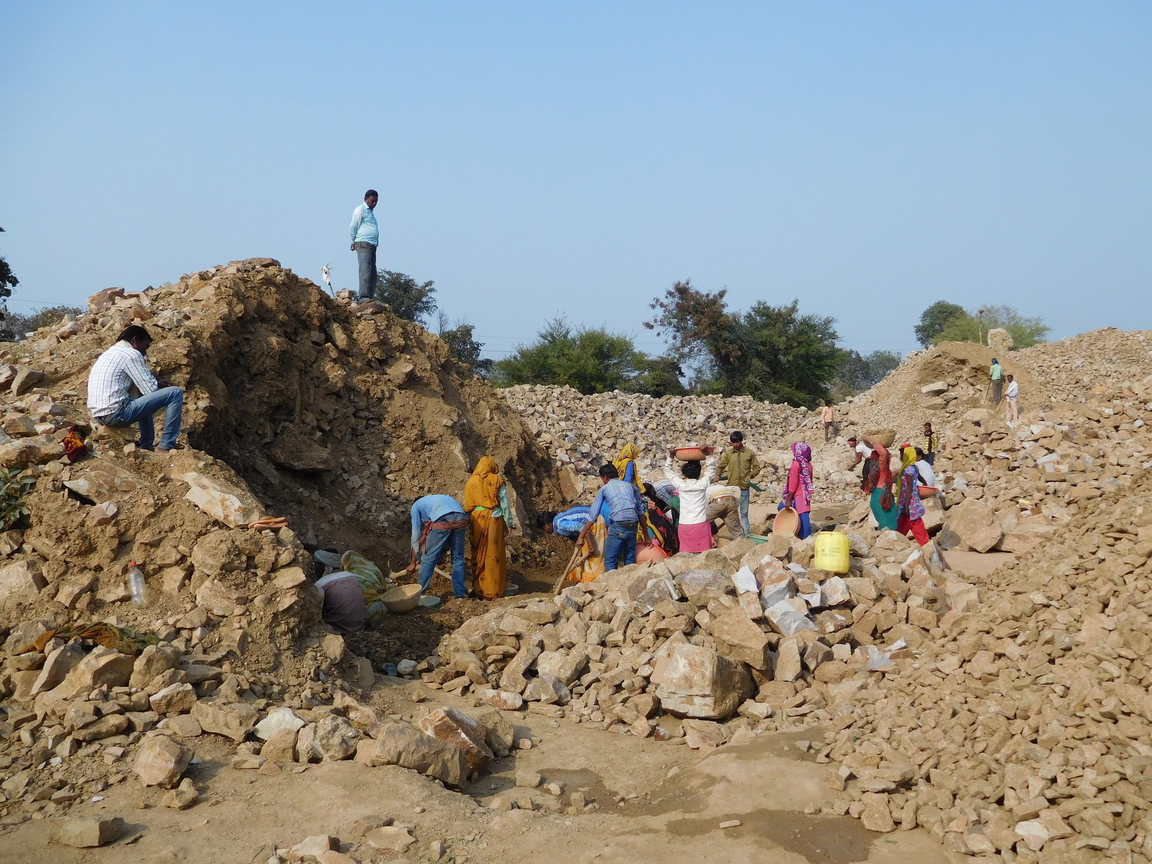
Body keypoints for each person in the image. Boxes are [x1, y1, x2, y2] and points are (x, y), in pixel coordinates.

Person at [87, 325, 184, 453]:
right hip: (116, 413)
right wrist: (156, 383)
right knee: (175, 393)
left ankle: (146, 445)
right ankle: (166, 445)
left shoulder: (110, 353)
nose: (145, 352)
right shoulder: (131, 354)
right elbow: (150, 390)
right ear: (135, 340)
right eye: (145, 346)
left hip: (99, 415)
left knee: (139, 394)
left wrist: (157, 383)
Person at [464, 456, 516, 600]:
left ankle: (479, 589)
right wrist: (509, 522)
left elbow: (468, 505)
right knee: (494, 554)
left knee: (478, 553)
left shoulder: (471, 482)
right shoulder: (496, 480)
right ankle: (494, 590)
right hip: (493, 519)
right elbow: (504, 503)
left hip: (476, 519)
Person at [575, 464, 645, 571]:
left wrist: (581, 536)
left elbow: (593, 516)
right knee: (629, 558)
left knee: (610, 559)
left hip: (619, 525)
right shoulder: (630, 486)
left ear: (605, 477)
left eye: (602, 478)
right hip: (633, 524)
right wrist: (647, 537)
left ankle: (610, 584)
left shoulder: (605, 489)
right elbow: (640, 512)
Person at [406, 494, 469, 598]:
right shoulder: (438, 499)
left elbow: (416, 536)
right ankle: (460, 596)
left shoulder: (416, 506)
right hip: (461, 518)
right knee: (458, 559)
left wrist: (413, 562)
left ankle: (419, 595)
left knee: (428, 560)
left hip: (443, 520)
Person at [665, 449, 717, 553]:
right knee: (703, 555)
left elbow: (668, 471)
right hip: (700, 524)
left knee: (686, 555)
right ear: (699, 473)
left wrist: (671, 456)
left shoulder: (681, 485)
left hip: (685, 525)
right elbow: (711, 469)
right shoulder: (702, 484)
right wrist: (707, 454)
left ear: (684, 474)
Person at [539, 507, 605, 583]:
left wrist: (591, 545)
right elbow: (579, 537)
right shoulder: (558, 523)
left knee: (595, 557)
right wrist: (579, 554)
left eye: (543, 529)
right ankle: (578, 578)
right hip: (588, 528)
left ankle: (595, 579)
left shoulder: (560, 524)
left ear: (547, 525)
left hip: (595, 523)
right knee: (581, 557)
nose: (545, 531)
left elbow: (584, 528)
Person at [715, 431, 760, 535]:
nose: (735, 445)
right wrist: (718, 474)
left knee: (744, 513)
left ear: (741, 441)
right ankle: (736, 534)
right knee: (731, 513)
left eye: (737, 442)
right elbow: (720, 466)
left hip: (744, 488)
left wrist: (751, 475)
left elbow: (757, 468)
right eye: (733, 443)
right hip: (732, 489)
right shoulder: (729, 454)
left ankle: (746, 534)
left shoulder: (749, 453)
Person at [311, 550, 368, 634]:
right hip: (360, 629)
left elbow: (316, 612)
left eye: (315, 564)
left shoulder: (321, 584)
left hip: (340, 632)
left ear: (322, 565)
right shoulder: (351, 576)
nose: (314, 568)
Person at [895, 446, 930, 547]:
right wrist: (924, 483)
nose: (901, 457)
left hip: (908, 501)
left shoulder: (908, 470)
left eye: (902, 455)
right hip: (912, 501)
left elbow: (909, 488)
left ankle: (925, 545)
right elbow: (920, 477)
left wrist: (906, 505)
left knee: (908, 524)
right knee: (912, 523)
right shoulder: (913, 467)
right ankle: (926, 545)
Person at [349, 189, 380, 304]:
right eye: (372, 201)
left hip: (372, 244)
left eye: (376, 201)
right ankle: (364, 297)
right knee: (365, 269)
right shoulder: (360, 210)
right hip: (363, 243)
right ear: (366, 199)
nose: (374, 203)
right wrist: (353, 241)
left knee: (372, 272)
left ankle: (370, 297)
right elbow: (353, 226)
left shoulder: (371, 213)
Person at [781, 442, 814, 539]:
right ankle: (804, 538)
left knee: (783, 509)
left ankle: (801, 538)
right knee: (804, 518)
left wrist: (789, 499)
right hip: (805, 495)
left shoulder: (796, 464)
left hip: (796, 495)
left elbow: (793, 483)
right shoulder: (808, 465)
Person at [864, 441, 897, 531]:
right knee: (889, 525)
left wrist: (895, 473)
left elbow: (884, 478)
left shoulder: (878, 469)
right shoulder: (881, 465)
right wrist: (870, 441)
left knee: (884, 524)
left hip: (877, 497)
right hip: (882, 498)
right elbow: (883, 453)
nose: (889, 456)